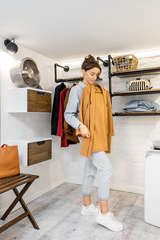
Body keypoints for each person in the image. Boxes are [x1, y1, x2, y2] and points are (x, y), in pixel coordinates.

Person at [64, 55, 123, 232]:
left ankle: (86, 205)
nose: (93, 77)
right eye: (91, 73)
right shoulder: (77, 90)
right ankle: (104, 214)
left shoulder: (97, 90)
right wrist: (80, 126)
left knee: (90, 169)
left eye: (96, 74)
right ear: (83, 71)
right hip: (86, 134)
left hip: (96, 133)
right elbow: (68, 115)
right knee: (106, 168)